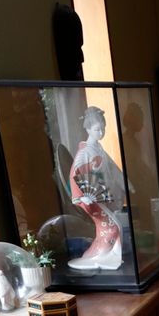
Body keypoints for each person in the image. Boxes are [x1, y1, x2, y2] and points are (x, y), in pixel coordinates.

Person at [68, 105, 124, 270]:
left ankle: (99, 255)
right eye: (97, 129)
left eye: (103, 129)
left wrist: (124, 182)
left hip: (102, 193)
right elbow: (75, 173)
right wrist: (81, 196)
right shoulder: (84, 152)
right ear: (88, 129)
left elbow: (112, 167)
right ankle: (97, 256)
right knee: (111, 228)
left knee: (111, 228)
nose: (101, 133)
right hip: (91, 197)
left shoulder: (98, 148)